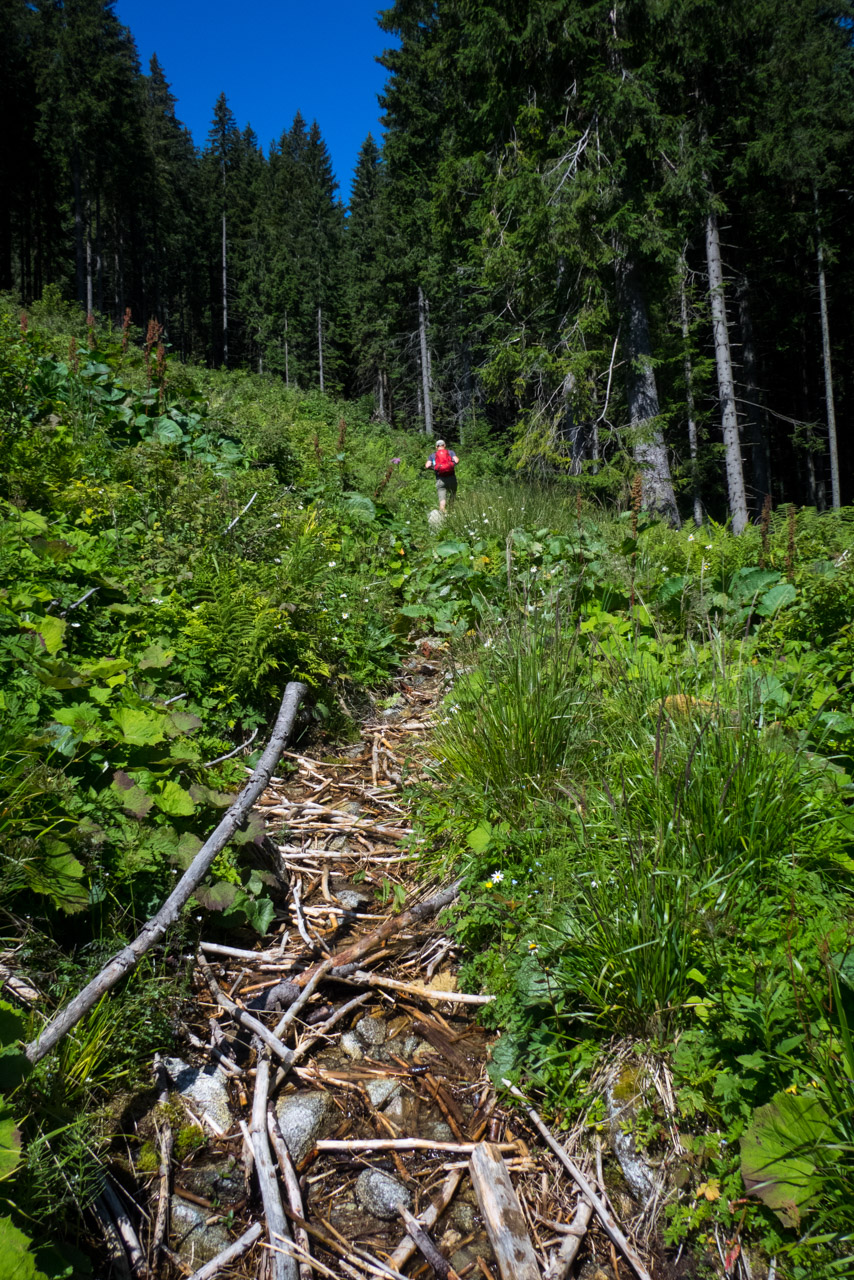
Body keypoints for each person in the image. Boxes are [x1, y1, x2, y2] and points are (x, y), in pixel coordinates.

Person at [425, 439, 459, 513]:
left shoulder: (432, 455)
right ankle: (451, 511)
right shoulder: (450, 452)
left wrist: (435, 468)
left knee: (442, 500)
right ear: (444, 445)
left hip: (440, 479)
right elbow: (456, 461)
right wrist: (451, 465)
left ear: (436, 447)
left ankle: (443, 515)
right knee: (453, 494)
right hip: (451, 477)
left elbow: (427, 465)